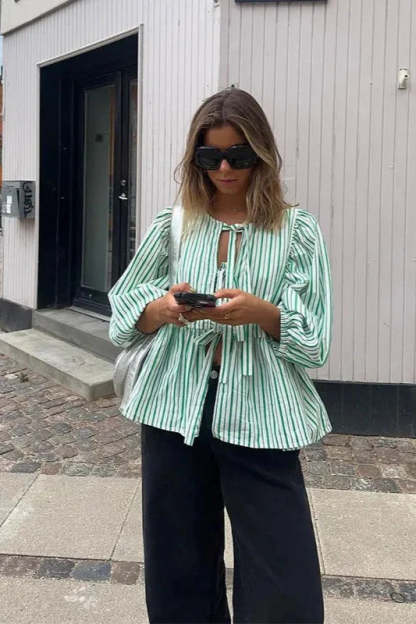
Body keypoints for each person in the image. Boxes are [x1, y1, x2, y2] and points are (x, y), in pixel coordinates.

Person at [108, 87, 333, 624]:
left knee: (284, 579)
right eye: (211, 157)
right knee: (178, 567)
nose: (226, 168)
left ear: (262, 154)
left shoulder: (296, 231)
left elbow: (316, 341)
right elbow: (122, 315)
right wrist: (162, 308)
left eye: (239, 155)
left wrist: (263, 313)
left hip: (261, 410)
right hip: (174, 409)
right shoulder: (174, 224)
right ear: (196, 158)